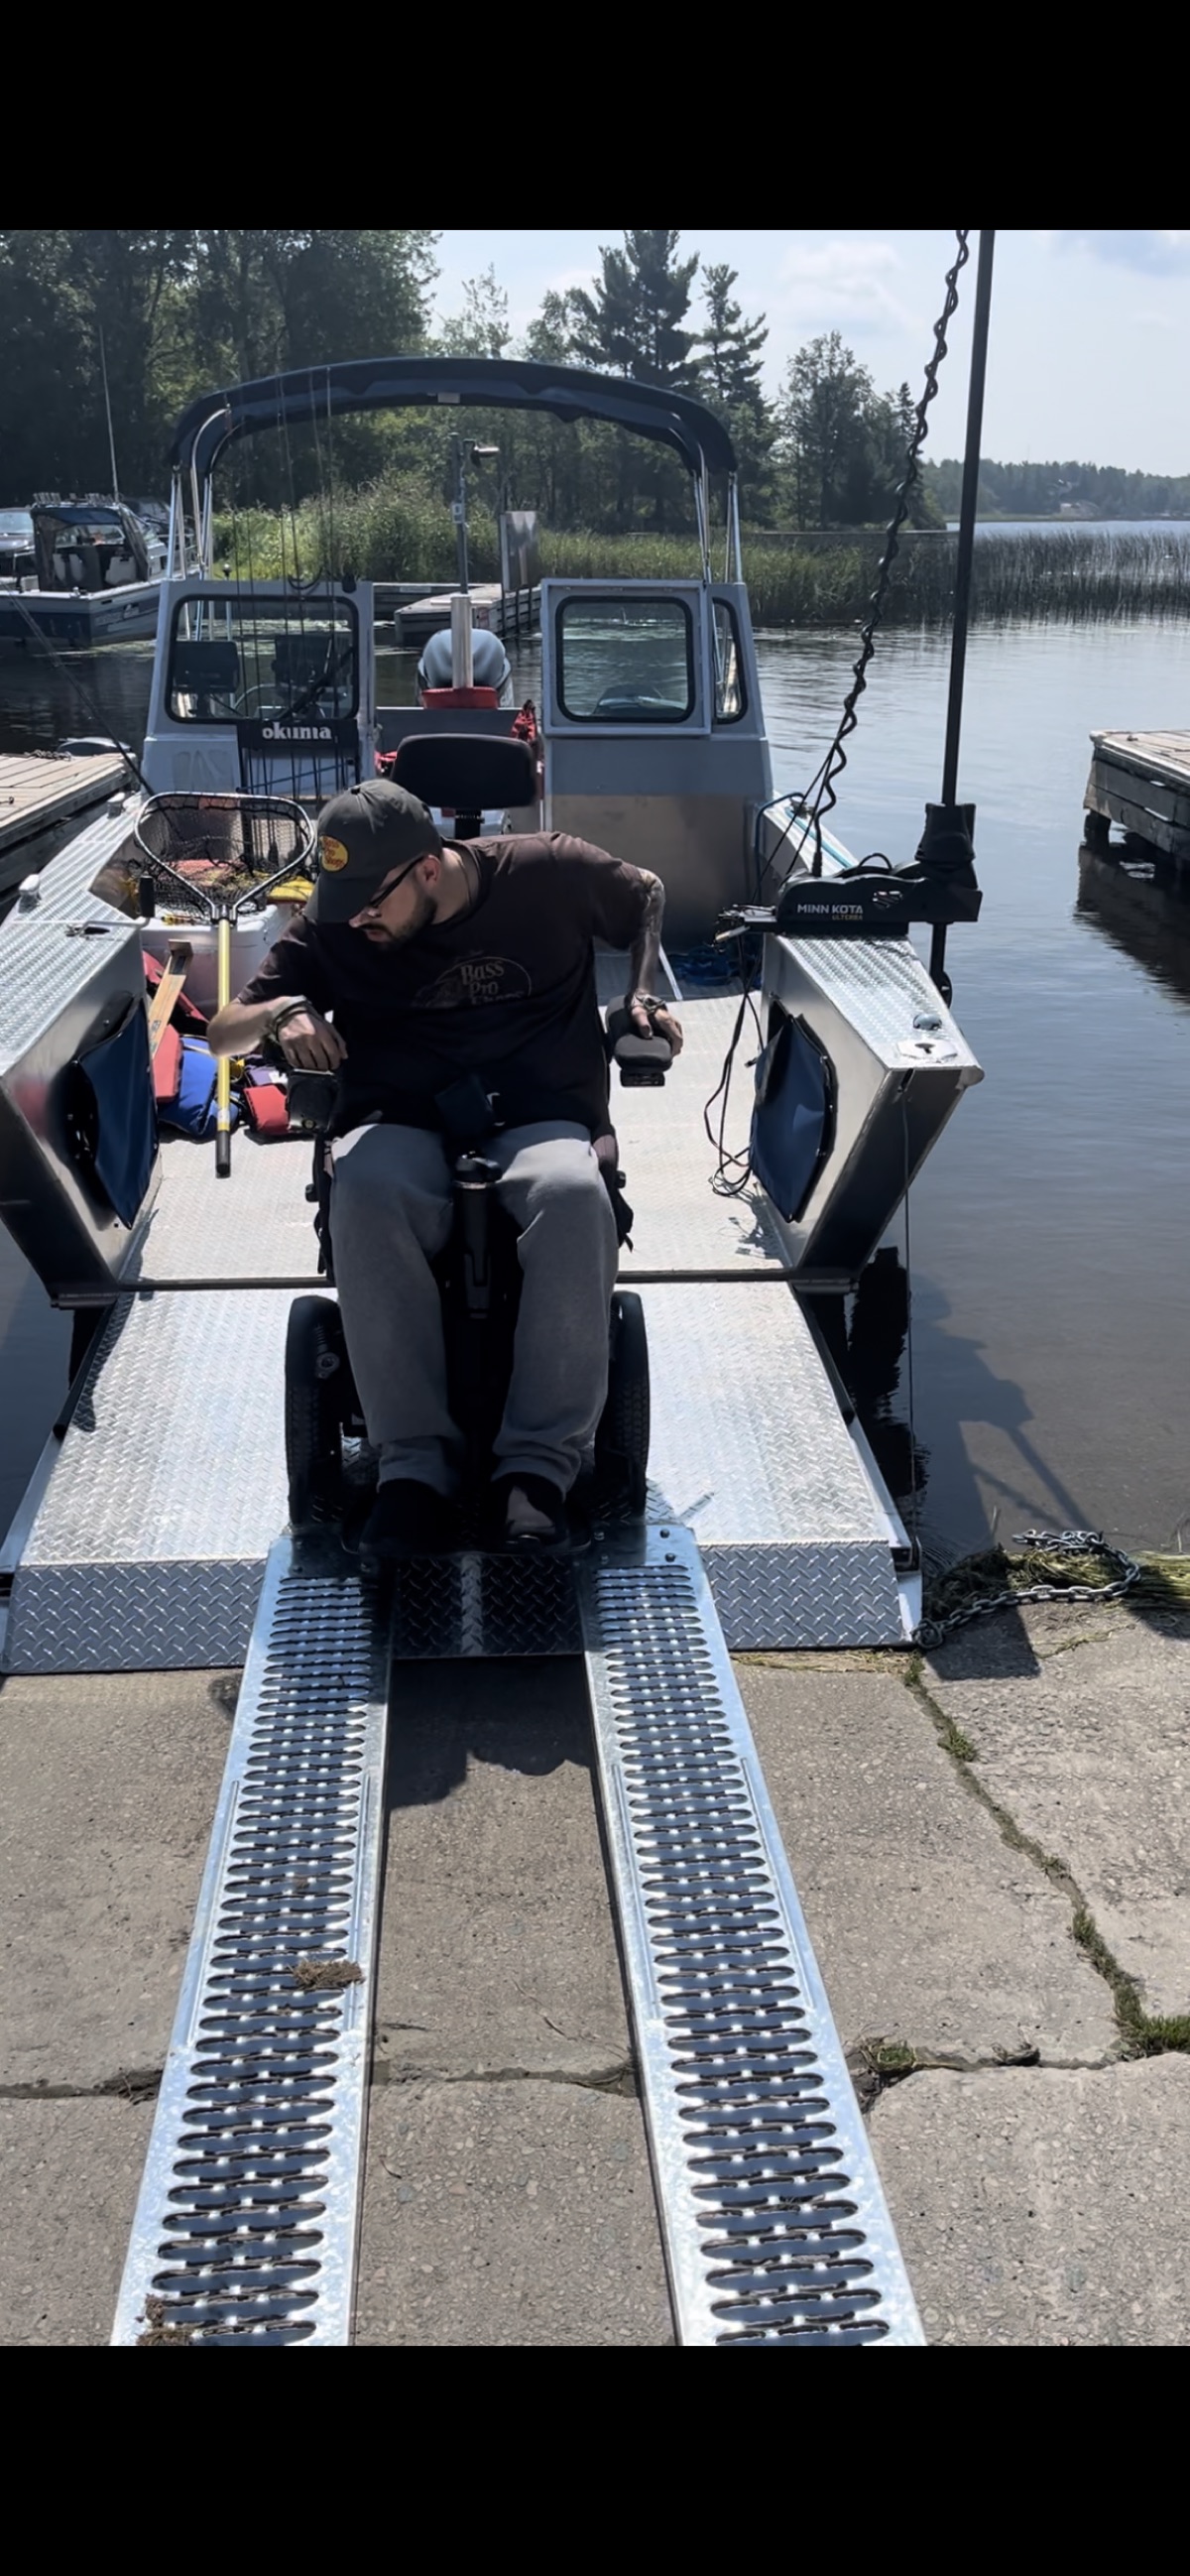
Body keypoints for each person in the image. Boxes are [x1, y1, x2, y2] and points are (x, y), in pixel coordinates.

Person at [207, 778, 682, 1558]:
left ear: (428, 867)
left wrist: (639, 995)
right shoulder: (338, 925)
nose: (358, 917)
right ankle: (412, 1470)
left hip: (540, 1114)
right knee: (364, 1187)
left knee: (570, 1192)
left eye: (373, 900)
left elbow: (650, 895)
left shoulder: (549, 871)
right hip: (402, 1118)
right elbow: (224, 1031)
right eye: (345, 901)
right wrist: (281, 1011)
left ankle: (535, 1470)